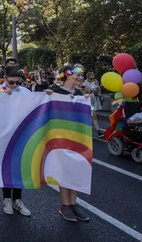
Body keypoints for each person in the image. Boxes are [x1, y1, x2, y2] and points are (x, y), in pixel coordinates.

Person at [51, 64, 90, 222]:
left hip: (78, 137)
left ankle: (74, 204)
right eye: (77, 75)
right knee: (64, 170)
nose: (80, 78)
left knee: (77, 168)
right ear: (67, 76)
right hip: (61, 137)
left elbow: (86, 113)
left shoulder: (80, 93)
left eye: (80, 75)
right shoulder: (55, 91)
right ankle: (65, 205)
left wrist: (87, 102)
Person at [0, 66, 32, 217]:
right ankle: (6, 199)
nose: (15, 86)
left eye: (17, 82)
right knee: (6, 168)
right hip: (3, 135)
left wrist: (47, 94)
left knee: (18, 168)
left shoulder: (26, 93)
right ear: (4, 78)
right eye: (11, 82)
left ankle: (18, 200)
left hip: (21, 135)